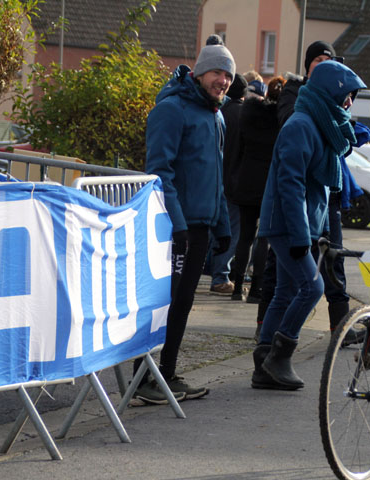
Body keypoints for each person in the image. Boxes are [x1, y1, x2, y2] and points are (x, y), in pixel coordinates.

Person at [252, 60, 366, 390]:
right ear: (330, 92)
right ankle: (279, 356)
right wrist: (303, 236)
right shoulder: (301, 125)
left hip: (300, 224)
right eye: (346, 96)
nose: (348, 103)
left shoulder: (321, 123)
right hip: (287, 224)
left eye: (352, 98)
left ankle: (263, 366)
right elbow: (291, 185)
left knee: (286, 290)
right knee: (312, 288)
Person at [137, 44, 236, 404]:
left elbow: (216, 178)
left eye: (228, 75)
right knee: (164, 302)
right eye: (217, 73)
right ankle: (142, 379)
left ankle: (166, 375)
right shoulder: (171, 109)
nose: (223, 81)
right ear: (200, 73)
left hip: (201, 227)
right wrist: (175, 225)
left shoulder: (216, 116)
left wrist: (222, 225)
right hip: (173, 227)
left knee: (183, 303)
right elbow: (159, 171)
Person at [228, 76, 286, 305]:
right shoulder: (281, 122)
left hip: (247, 181)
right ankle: (256, 289)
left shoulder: (249, 116)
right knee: (264, 239)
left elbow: (238, 151)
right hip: (270, 184)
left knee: (245, 236)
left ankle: (237, 285)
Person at [207, 73, 247, 295]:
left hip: (215, 179)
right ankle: (220, 276)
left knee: (215, 230)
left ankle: (213, 270)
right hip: (234, 183)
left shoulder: (218, 112)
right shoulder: (242, 115)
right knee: (231, 231)